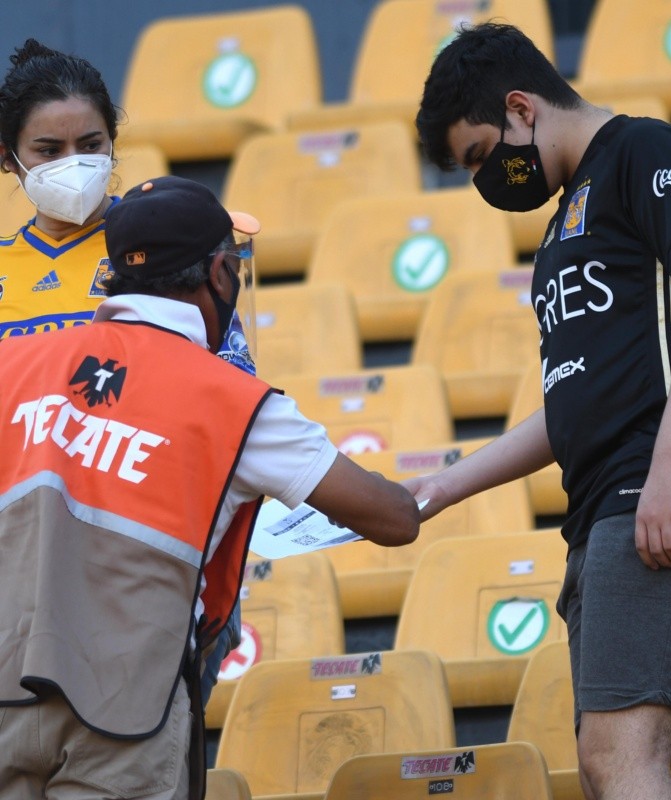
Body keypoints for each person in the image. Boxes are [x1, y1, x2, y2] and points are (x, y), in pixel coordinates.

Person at [410, 23, 671, 800]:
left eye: (479, 155)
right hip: (604, 500)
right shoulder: (556, 231)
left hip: (663, 483)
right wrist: (440, 488)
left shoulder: (644, 150)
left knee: (620, 757)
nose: (484, 179)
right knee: (611, 766)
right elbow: (572, 402)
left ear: (520, 107)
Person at [0, 175, 421, 800]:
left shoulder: (14, 365)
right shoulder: (237, 403)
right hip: (126, 719)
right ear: (221, 273)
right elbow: (394, 519)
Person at [0, 38, 251, 704]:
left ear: (115, 143)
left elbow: (231, 394)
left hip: (148, 554)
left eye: (92, 144)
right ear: (8, 158)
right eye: (49, 152)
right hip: (21, 563)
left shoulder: (165, 252)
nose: (75, 165)